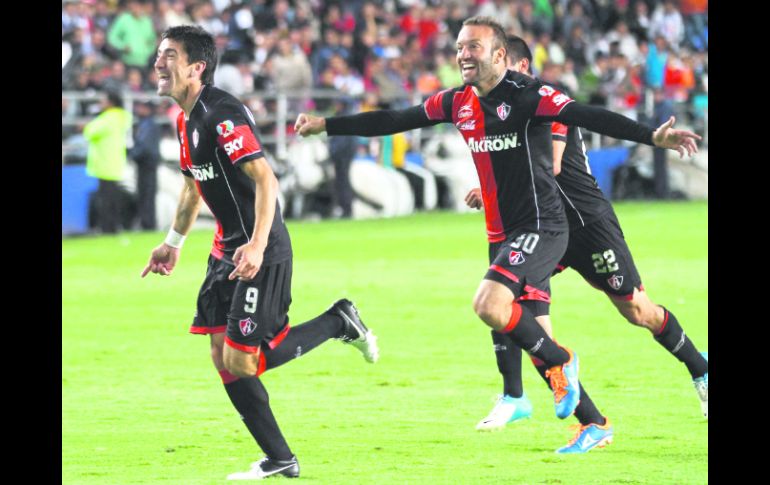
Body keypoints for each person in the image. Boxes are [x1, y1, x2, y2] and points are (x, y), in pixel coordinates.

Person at [295, 16, 700, 452]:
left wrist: (651, 138)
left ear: (502, 56)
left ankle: (681, 368)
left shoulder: (530, 96)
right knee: (529, 328)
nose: (463, 54)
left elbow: (586, 115)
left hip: (553, 224)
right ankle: (591, 421)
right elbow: (396, 119)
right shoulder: (458, 102)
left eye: (473, 46)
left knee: (618, 310)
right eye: (459, 47)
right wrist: (327, 124)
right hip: (514, 230)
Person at [141, 25, 379, 481]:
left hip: (260, 248)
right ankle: (279, 458)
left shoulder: (222, 113)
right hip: (225, 249)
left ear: (196, 67)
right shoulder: (184, 119)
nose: (158, 62)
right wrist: (172, 245)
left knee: (241, 360)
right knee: (220, 353)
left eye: (169, 55)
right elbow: (193, 186)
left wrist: (255, 243)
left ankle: (338, 321)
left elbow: (266, 179)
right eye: (158, 53)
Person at [466, 35, 708, 453]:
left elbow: (552, 165)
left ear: (521, 67)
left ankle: (700, 369)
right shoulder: (501, 107)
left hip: (585, 223)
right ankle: (591, 422)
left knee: (638, 310)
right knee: (527, 321)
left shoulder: (546, 101)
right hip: (541, 228)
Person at [83, 89, 132, 234]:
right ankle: (115, 226)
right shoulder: (122, 117)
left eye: (103, 100)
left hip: (104, 164)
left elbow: (89, 132)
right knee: (114, 198)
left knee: (105, 200)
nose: (101, 103)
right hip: (116, 162)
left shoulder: (107, 118)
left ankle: (106, 228)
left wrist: (93, 119)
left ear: (111, 102)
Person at [128, 100, 161, 230]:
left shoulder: (148, 125)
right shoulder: (147, 124)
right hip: (146, 164)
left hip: (147, 165)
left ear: (148, 109)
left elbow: (144, 147)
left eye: (142, 107)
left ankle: (148, 224)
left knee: (146, 194)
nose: (139, 109)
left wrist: (130, 154)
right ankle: (147, 223)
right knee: (146, 194)